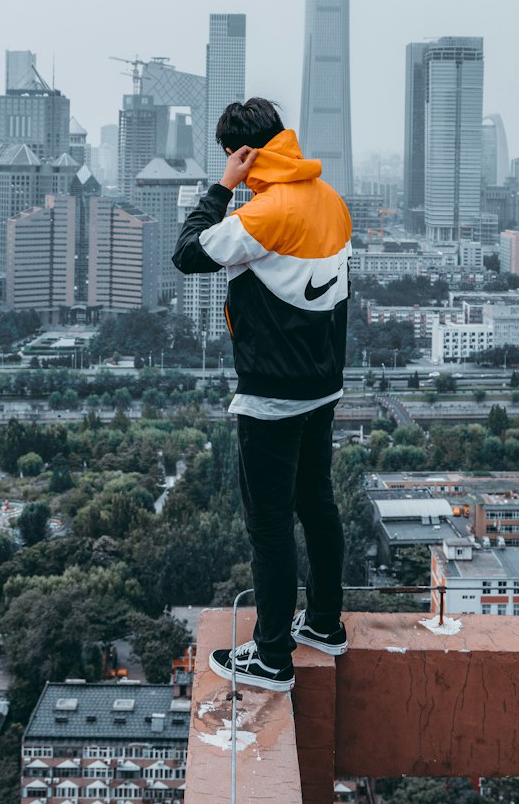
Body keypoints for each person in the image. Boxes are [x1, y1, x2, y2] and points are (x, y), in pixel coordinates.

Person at [172, 97, 352, 692]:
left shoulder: (262, 214)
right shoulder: (331, 201)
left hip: (271, 395)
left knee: (269, 525)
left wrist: (224, 187)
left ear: (241, 154)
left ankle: (272, 655)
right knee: (317, 505)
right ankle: (324, 622)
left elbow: (187, 252)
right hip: (322, 386)